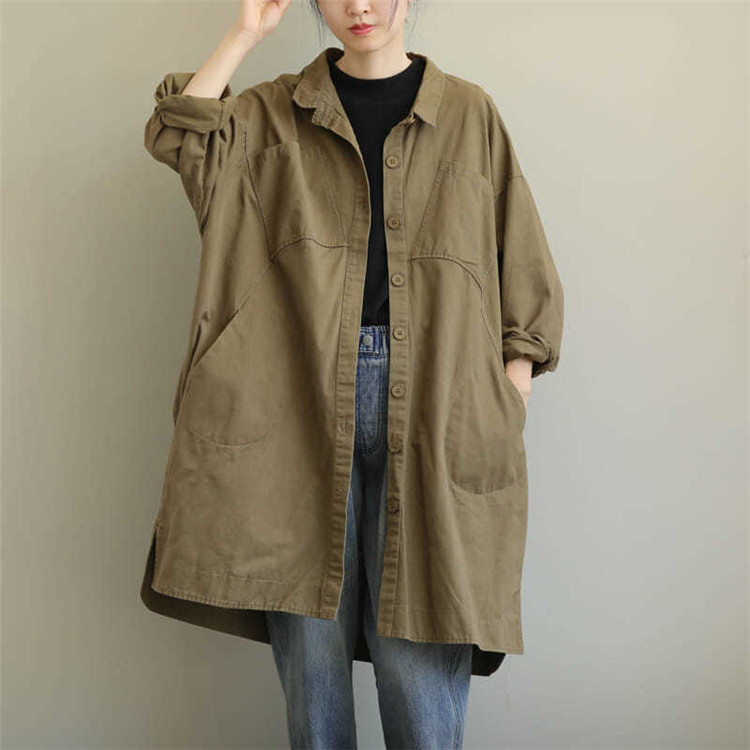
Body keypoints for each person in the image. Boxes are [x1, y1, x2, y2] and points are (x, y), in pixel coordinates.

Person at [140, 0, 564, 748]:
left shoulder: (469, 115)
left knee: (421, 661)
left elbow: (521, 259)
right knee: (313, 673)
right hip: (291, 405)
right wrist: (246, 32)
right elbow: (181, 134)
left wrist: (511, 386)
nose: (359, 5)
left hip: (439, 404)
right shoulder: (269, 115)